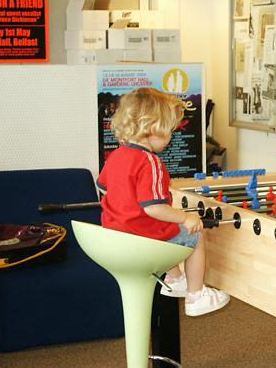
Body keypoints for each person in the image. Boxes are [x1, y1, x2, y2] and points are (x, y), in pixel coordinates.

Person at [97, 87, 230, 317]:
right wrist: (186, 217)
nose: (170, 137)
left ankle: (175, 278)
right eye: (168, 131)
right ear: (152, 129)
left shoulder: (116, 156)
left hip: (114, 236)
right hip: (142, 239)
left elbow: (103, 188)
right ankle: (196, 295)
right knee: (194, 235)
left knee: (168, 228)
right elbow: (154, 207)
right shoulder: (150, 162)